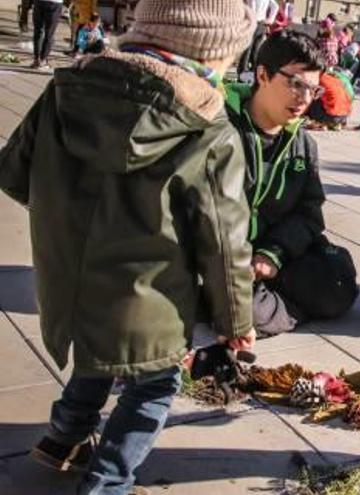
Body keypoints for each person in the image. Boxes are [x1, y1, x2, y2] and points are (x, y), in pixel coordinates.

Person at [0, 0, 257, 493]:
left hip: (68, 277)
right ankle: (109, 482)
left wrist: (68, 212)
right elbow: (225, 246)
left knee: (102, 354)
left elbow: (14, 174)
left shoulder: (66, 86)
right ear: (210, 49)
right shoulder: (210, 126)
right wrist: (235, 323)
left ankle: (63, 438)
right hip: (153, 294)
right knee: (154, 382)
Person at [225, 31, 359, 337]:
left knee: (337, 284)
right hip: (224, 257)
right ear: (262, 74)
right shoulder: (222, 131)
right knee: (239, 307)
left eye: (312, 89)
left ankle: (272, 306)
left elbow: (309, 213)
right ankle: (268, 308)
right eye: (295, 83)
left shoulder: (303, 144)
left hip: (277, 254)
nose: (304, 98)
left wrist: (273, 253)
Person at [238, 0, 279, 76]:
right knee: (253, 49)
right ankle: (250, 72)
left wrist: (270, 19)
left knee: (250, 49)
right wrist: (270, 19)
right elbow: (275, 6)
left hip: (254, 22)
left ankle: (246, 72)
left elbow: (275, 6)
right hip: (259, 23)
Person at [30, 0, 64, 69]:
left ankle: (37, 59)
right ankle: (43, 60)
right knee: (49, 33)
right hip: (55, 3)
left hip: (40, 2)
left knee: (38, 31)